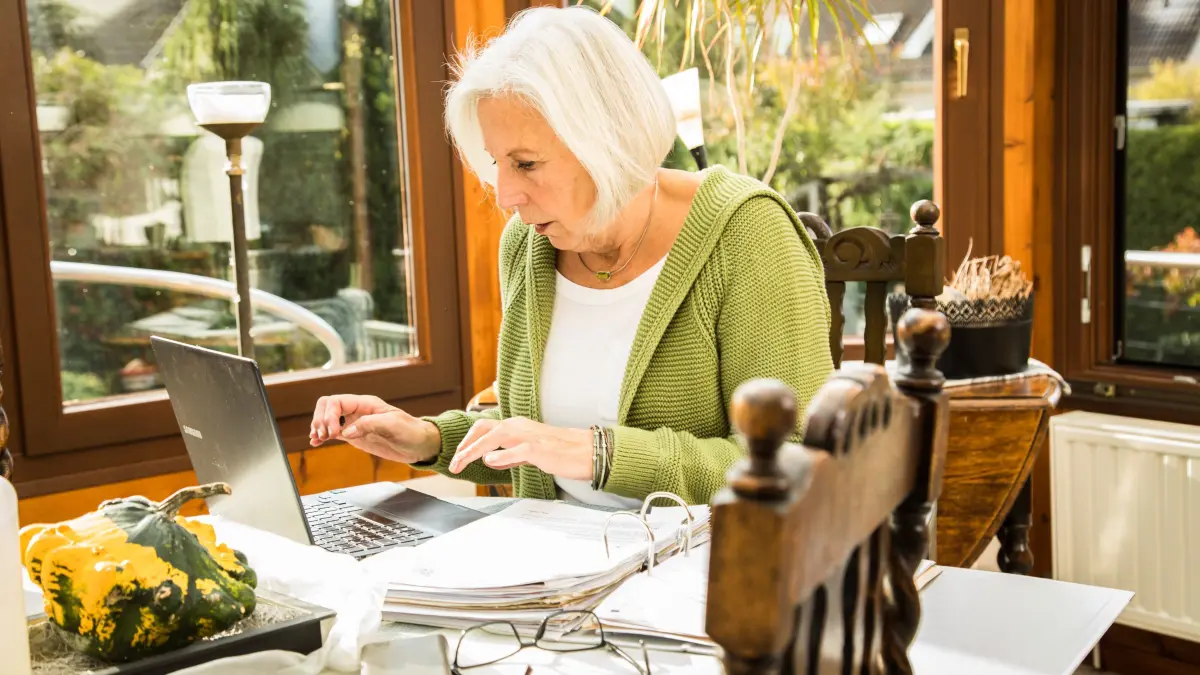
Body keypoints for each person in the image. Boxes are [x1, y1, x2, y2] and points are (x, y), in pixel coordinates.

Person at [308, 6, 833, 506]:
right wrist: (426, 439)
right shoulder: (529, 245)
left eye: (527, 163)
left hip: (707, 570)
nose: (506, 195)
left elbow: (799, 462)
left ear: (609, 142)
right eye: (497, 164)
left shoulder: (745, 233)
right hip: (560, 569)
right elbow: (537, 441)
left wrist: (602, 453)